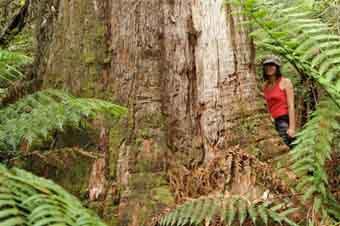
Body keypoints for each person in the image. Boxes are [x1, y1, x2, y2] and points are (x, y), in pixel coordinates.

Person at [262, 56, 296, 149]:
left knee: (285, 149)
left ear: (277, 67)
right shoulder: (264, 86)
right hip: (270, 123)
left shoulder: (286, 82)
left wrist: (292, 128)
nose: (269, 67)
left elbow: (291, 105)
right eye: (267, 65)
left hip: (283, 122)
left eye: (272, 65)